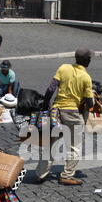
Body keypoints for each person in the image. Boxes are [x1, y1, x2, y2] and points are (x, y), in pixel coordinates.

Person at [35, 48, 95, 186]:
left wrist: (46, 104)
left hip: (56, 111)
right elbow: (90, 103)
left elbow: (51, 89)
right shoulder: (86, 77)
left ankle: (40, 174)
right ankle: (66, 175)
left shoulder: (63, 68)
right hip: (72, 114)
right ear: (87, 61)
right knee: (74, 146)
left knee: (51, 143)